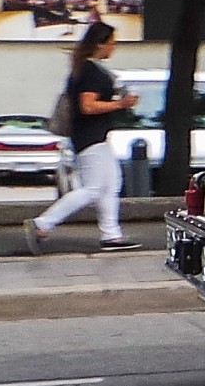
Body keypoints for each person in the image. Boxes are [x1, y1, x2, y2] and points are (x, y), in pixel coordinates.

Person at [24, 24, 142, 254]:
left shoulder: (87, 69)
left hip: (94, 138)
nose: (114, 47)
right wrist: (121, 104)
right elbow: (87, 106)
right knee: (93, 188)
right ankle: (42, 224)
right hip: (90, 138)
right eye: (112, 42)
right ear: (100, 44)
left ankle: (112, 235)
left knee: (112, 183)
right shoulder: (91, 72)